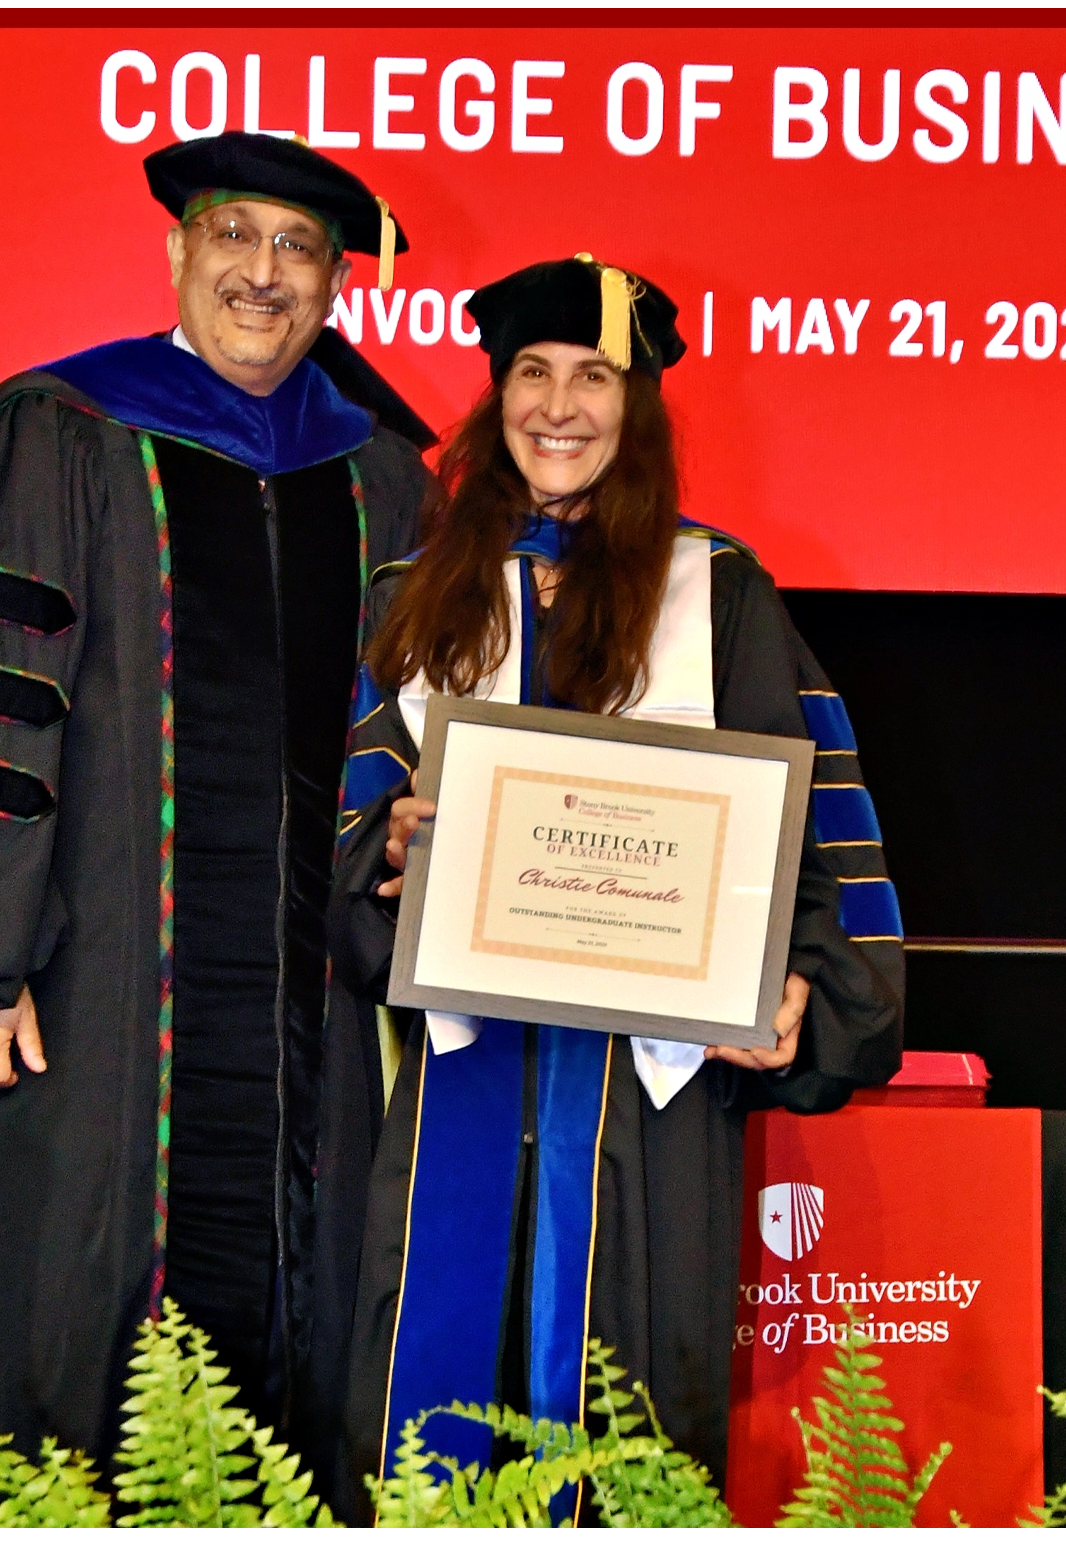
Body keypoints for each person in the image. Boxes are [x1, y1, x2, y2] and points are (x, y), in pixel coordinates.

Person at [0, 132, 430, 1524]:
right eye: (233, 235)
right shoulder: (60, 431)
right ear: (176, 251)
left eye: (297, 247)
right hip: (83, 1000)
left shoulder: (379, 477)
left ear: (333, 283)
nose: (262, 272)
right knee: (49, 1330)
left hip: (304, 1023)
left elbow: (411, 732)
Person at [328, 256, 905, 1521]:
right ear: (495, 396)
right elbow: (350, 829)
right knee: (427, 1398)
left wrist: (802, 989)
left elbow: (812, 827)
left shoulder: (718, 591)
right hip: (459, 1075)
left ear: (633, 408)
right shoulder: (416, 592)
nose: (558, 405)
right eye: (531, 372)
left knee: (628, 1407)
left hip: (650, 1093)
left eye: (592, 376)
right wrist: (386, 853)